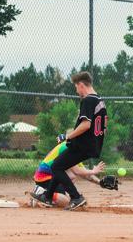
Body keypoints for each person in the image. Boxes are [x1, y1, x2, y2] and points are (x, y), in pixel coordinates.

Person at [31, 71, 107, 210]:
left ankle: (76, 197)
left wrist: (67, 136)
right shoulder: (99, 101)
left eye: (76, 87)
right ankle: (47, 197)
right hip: (92, 144)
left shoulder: (88, 100)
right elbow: (102, 127)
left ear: (81, 85)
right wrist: (100, 182)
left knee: (56, 167)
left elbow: (86, 124)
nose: (76, 90)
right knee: (58, 165)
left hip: (82, 144)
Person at [31, 140, 106, 207]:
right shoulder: (69, 148)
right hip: (45, 177)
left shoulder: (73, 147)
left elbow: (85, 173)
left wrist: (100, 182)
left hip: (50, 176)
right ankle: (41, 193)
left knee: (72, 179)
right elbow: (77, 171)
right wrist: (93, 171)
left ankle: (47, 197)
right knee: (66, 201)